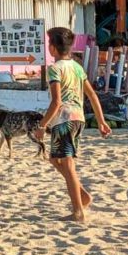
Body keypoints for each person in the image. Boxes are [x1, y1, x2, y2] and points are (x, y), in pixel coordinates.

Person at [33, 26, 110, 222]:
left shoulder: (55, 69)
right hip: (78, 119)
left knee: (67, 164)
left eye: (48, 43)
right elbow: (91, 95)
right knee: (55, 159)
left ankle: (78, 211)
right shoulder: (76, 67)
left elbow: (56, 101)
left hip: (64, 120)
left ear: (53, 47)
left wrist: (42, 125)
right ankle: (82, 195)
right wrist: (101, 121)